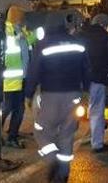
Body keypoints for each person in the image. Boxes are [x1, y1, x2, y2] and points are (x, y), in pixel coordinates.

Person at [25, 11, 89, 183]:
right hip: (74, 96)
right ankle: (62, 175)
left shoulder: (43, 44)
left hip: (51, 96)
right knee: (67, 135)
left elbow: (34, 71)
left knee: (41, 131)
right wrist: (86, 93)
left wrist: (28, 94)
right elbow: (86, 69)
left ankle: (52, 158)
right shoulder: (77, 43)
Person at [79, 13, 108, 153]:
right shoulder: (107, 38)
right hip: (98, 78)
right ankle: (97, 144)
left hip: (80, 79)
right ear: (104, 24)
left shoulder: (82, 35)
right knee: (96, 110)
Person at [2, 7, 37, 149]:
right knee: (9, 108)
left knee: (18, 109)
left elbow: (28, 40)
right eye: (21, 17)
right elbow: (9, 49)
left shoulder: (19, 30)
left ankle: (12, 134)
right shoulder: (8, 31)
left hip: (20, 78)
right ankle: (1, 135)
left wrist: (37, 33)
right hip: (10, 81)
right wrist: (19, 38)